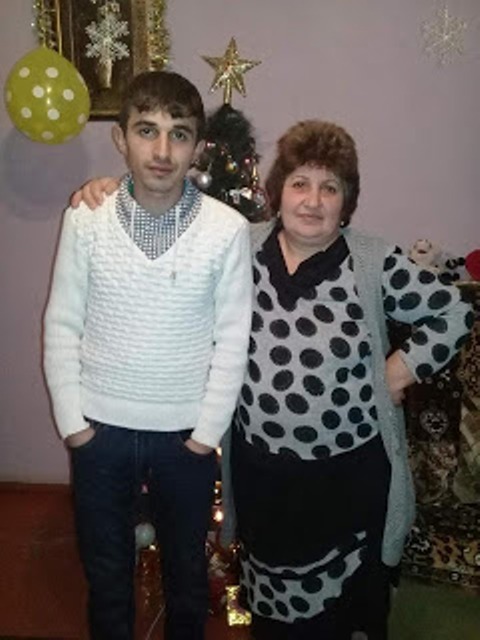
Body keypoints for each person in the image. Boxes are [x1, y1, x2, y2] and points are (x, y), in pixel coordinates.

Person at [72, 120, 473, 640]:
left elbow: (454, 312)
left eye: (330, 187)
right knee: (272, 621)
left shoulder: (372, 260)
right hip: (263, 481)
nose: (313, 200)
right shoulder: (239, 245)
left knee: (344, 621)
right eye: (300, 183)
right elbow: (167, 229)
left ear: (347, 202)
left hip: (347, 486)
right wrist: (111, 191)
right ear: (278, 191)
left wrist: (398, 368)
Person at [43, 70, 252, 640]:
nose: (162, 151)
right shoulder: (86, 219)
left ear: (198, 147)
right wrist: (74, 427)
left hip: (184, 441)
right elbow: (62, 323)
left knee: (187, 580)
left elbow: (233, 338)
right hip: (100, 434)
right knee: (107, 578)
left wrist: (205, 435)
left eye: (178, 134)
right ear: (121, 139)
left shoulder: (226, 230)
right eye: (146, 130)